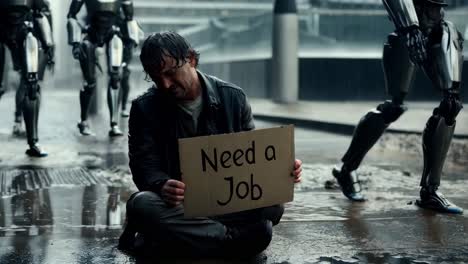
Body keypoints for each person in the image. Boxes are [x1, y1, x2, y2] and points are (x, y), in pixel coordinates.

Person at [118, 31, 303, 258]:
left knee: (273, 206)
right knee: (142, 204)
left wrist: (280, 170)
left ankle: (190, 238)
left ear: (192, 59)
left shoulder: (233, 98)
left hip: (225, 204)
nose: (165, 84)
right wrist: (161, 184)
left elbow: (252, 160)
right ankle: (229, 241)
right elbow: (143, 165)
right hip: (180, 205)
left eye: (170, 73)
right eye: (156, 77)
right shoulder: (144, 108)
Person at [332, 0, 464, 214]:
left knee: (450, 105)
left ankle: (430, 190)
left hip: (436, 29)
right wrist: (410, 28)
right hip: (408, 31)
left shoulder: (441, 21)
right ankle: (347, 169)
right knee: (394, 107)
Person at [67, 0, 141, 136]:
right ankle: (83, 120)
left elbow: (129, 18)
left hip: (113, 33)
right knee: (89, 82)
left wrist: (131, 39)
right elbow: (72, 15)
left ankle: (114, 123)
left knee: (115, 78)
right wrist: (76, 42)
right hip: (91, 33)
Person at [0, 0, 54, 157]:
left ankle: (33, 141)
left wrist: (48, 43)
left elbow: (41, 13)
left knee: (31, 84)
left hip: (24, 31)